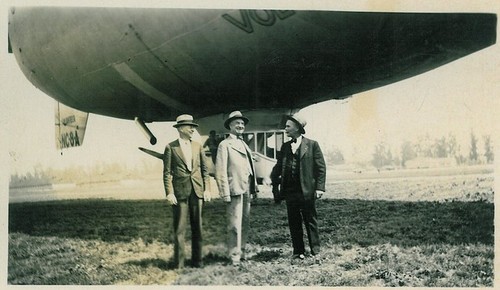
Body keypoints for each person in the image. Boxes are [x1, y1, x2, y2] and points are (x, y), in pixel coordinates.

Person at [270, 113, 326, 264]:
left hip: (307, 191)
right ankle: (298, 252)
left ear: (297, 128)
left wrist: (320, 188)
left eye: (288, 126)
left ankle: (316, 251)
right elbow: (278, 166)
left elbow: (321, 168)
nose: (285, 129)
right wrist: (274, 182)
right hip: (290, 192)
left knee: (310, 221)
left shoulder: (312, 145)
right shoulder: (285, 146)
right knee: (294, 222)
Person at [163, 114, 211, 269]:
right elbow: (167, 173)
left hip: (197, 192)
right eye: (190, 126)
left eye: (193, 127)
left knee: (198, 228)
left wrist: (208, 189)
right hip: (180, 193)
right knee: (179, 229)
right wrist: (169, 192)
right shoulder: (171, 147)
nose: (192, 129)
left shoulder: (198, 146)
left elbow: (205, 170)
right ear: (181, 128)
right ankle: (179, 263)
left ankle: (198, 261)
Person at [215, 110, 258, 266]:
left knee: (244, 222)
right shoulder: (224, 144)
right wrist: (224, 192)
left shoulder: (243, 143)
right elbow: (220, 170)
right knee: (234, 224)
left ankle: (242, 252)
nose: (240, 126)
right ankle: (234, 256)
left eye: (242, 123)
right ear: (230, 126)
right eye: (237, 123)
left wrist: (254, 187)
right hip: (234, 188)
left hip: (246, 188)